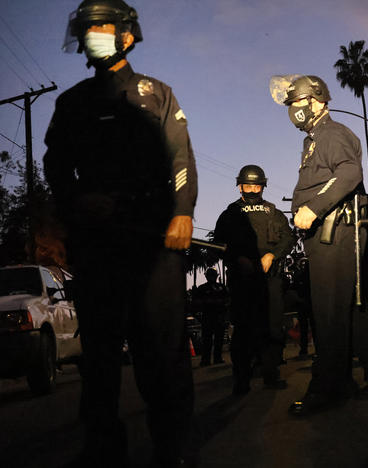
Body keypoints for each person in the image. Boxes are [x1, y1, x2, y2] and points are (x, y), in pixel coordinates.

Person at [43, 1, 197, 466]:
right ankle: (104, 448)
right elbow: (54, 164)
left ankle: (172, 449)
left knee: (162, 352)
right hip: (97, 245)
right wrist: (75, 203)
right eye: (86, 29)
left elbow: (180, 158)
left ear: (127, 35)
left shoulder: (157, 93)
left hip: (154, 241)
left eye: (102, 27)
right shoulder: (71, 102)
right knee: (101, 355)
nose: (94, 35)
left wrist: (183, 213)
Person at [270, 74, 368, 416]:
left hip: (336, 231)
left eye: (297, 103)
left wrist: (312, 208)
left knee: (328, 313)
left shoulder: (332, 133)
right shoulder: (315, 139)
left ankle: (328, 389)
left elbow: (349, 174)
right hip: (328, 234)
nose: (294, 111)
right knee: (347, 312)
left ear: (316, 99)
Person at [214, 165, 294, 393]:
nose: (251, 189)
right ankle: (241, 380)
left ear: (262, 186)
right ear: (240, 186)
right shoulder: (230, 213)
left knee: (273, 327)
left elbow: (288, 238)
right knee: (243, 328)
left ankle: (271, 374)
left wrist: (272, 254)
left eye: (256, 185)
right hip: (243, 279)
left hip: (271, 279)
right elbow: (219, 244)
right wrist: (238, 259)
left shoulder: (274, 212)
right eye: (247, 185)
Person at [192, 268, 228, 367]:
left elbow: (227, 301)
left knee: (218, 339)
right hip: (208, 317)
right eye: (210, 275)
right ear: (207, 276)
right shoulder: (202, 288)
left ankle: (216, 358)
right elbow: (196, 303)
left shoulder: (221, 287)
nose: (212, 277)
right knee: (207, 340)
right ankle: (206, 360)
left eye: (213, 275)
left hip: (218, 317)